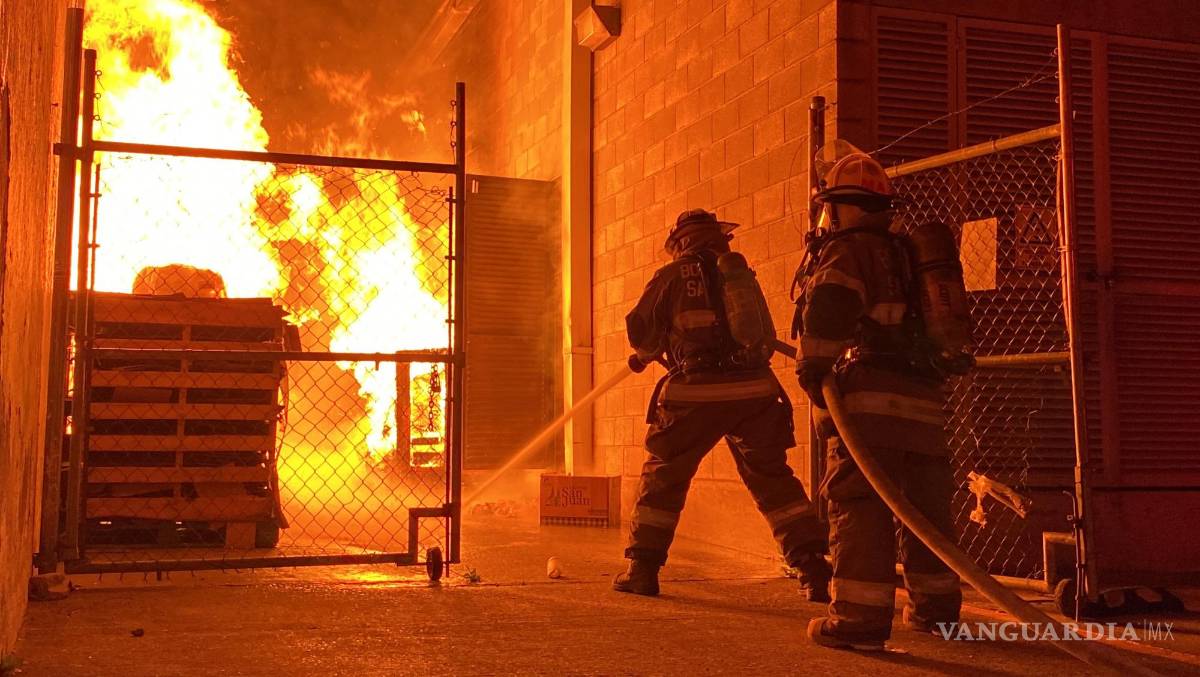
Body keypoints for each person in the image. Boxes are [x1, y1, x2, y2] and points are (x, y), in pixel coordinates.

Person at [793, 142, 962, 650]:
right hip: (925, 402)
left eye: (831, 207)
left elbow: (828, 309)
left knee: (860, 503)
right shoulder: (907, 253)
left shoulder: (850, 249)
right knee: (926, 507)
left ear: (844, 206)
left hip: (871, 403)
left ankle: (859, 621)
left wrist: (813, 366)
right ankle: (936, 610)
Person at [614, 208, 831, 601]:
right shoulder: (741, 275)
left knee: (664, 478)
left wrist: (650, 352)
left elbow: (641, 332)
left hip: (694, 395)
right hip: (754, 393)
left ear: (680, 242)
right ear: (718, 239)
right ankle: (813, 569)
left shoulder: (670, 276)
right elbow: (759, 334)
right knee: (773, 480)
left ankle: (642, 569)